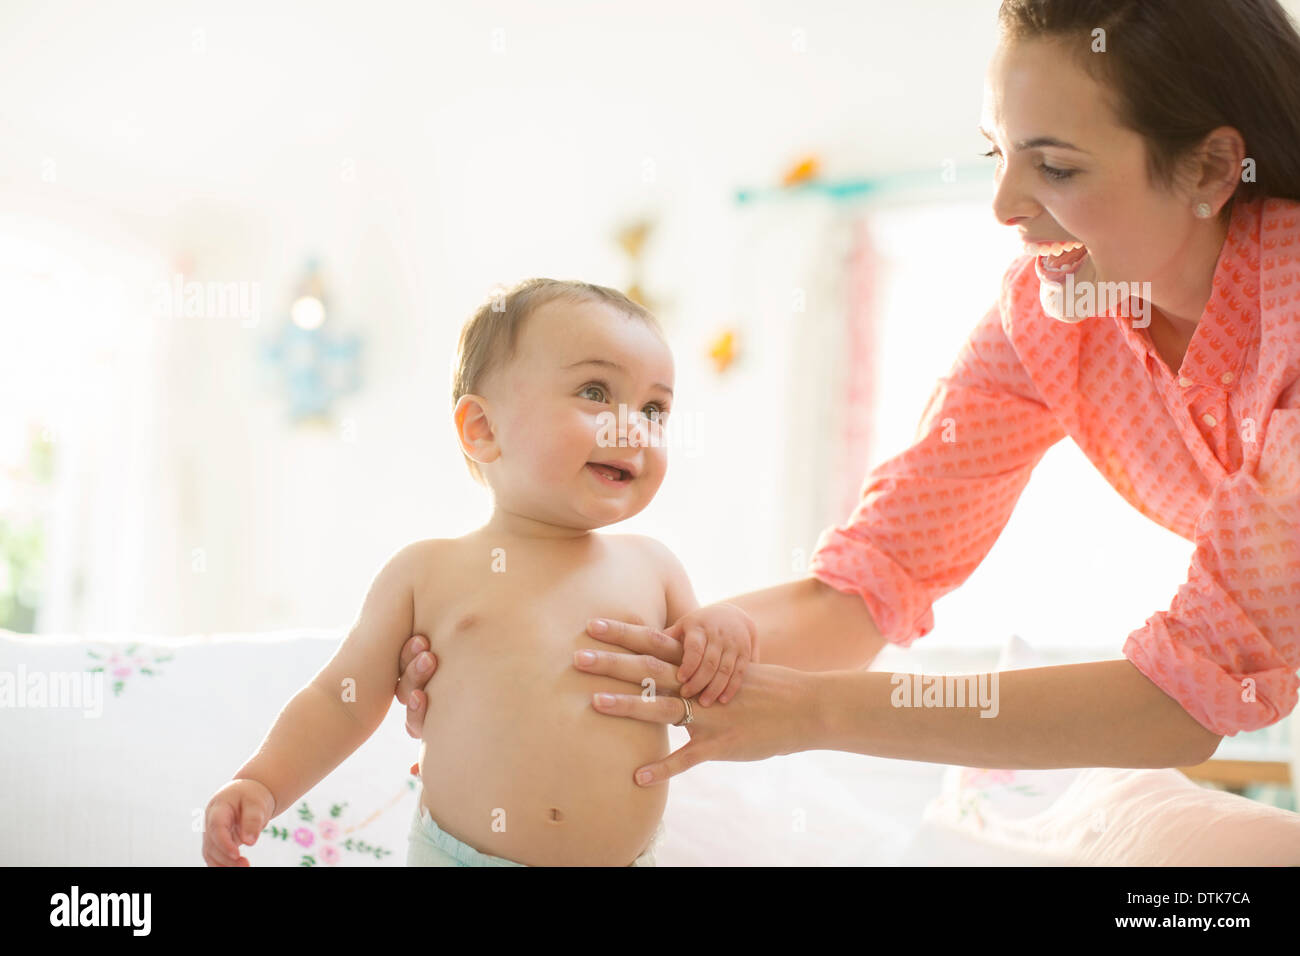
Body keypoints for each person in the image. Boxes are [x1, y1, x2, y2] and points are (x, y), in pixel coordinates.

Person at [396, 0, 1300, 793]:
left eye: (1055, 168)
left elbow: (1184, 701)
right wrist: (566, 653)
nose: (1003, 206)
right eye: (999, 153)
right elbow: (870, 585)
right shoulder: (1052, 313)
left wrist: (817, 713)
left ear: (1214, 171)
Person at [201, 279, 754, 867]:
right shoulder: (427, 571)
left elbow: (713, 688)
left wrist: (727, 628)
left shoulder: (654, 567)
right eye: (595, 392)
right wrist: (263, 782)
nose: (632, 429)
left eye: (653, 409)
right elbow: (341, 700)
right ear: (483, 429)